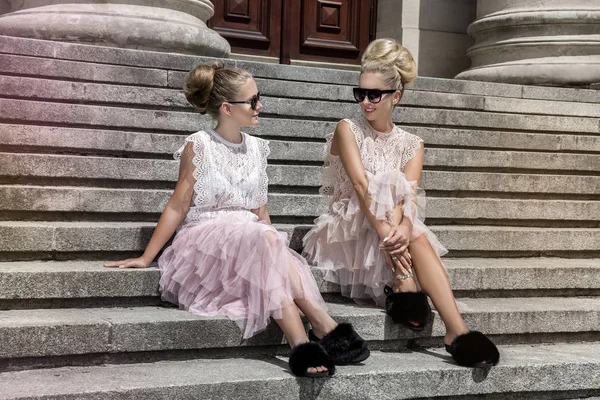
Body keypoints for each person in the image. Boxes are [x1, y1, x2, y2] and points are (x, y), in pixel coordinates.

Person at [105, 61, 369, 378]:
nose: (261, 105)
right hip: (207, 243)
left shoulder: (258, 148)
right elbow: (178, 204)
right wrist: (147, 256)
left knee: (264, 237)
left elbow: (260, 210)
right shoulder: (199, 144)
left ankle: (319, 326)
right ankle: (303, 339)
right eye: (253, 100)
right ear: (228, 108)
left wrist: (276, 249)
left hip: (252, 238)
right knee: (260, 238)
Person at [303, 39, 499, 368]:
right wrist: (390, 234)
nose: (365, 101)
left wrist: (404, 230)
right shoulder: (347, 129)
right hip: (346, 230)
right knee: (386, 183)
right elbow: (360, 184)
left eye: (374, 94)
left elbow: (409, 195)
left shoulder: (412, 143)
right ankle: (406, 281)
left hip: (388, 233)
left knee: (412, 221)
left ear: (396, 96)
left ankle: (457, 330)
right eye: (360, 93)